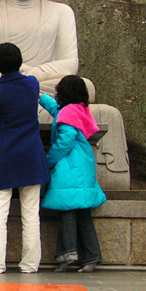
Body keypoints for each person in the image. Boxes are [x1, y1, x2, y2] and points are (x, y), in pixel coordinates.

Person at [0, 42, 51, 274]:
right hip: (31, 153)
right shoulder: (32, 84)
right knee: (31, 212)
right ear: (20, 61)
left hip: (5, 154)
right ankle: (30, 264)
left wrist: (1, 135)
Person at [38, 75, 106, 273]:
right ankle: (92, 257)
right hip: (82, 168)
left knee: (67, 212)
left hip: (69, 169)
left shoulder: (68, 112)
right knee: (83, 214)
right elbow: (57, 111)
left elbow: (65, 140)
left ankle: (68, 255)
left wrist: (48, 160)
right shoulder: (79, 109)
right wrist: (40, 96)